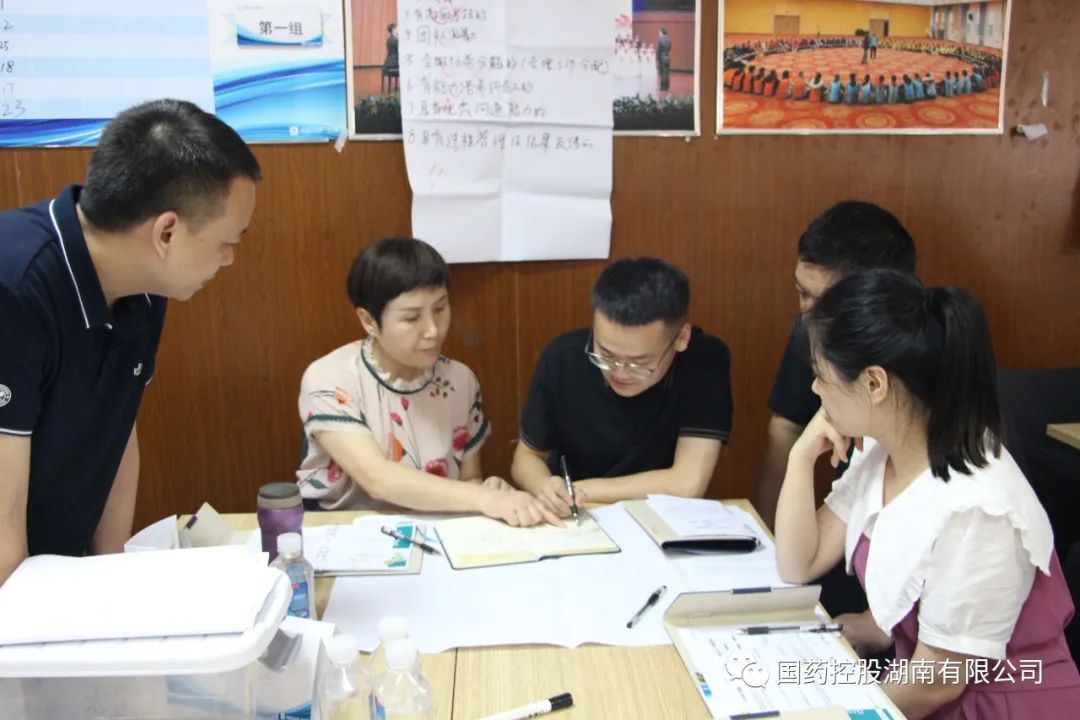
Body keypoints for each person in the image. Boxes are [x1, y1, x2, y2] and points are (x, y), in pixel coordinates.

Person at [775, 269, 1080, 717]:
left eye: (821, 376)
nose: (814, 389)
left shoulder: (978, 507)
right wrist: (801, 458)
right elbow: (798, 562)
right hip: (919, 690)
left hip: (997, 705)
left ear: (874, 383)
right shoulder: (884, 445)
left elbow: (937, 684)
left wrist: (834, 711)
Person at [0, 99, 261, 585]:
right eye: (229, 241)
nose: (229, 258)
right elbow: (3, 539)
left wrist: (111, 572)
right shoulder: (14, 288)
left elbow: (117, 431)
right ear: (167, 232)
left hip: (55, 574)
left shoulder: (143, 287)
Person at [296, 237, 558, 527]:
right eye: (412, 318)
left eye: (440, 309)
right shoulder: (330, 377)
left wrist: (487, 490)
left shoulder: (460, 380)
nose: (433, 330)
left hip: (437, 532)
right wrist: (482, 498)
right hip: (345, 531)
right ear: (368, 321)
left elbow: (468, 479)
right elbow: (377, 479)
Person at [512, 258, 732, 517]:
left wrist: (578, 491)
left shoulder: (704, 361)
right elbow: (526, 457)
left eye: (640, 362)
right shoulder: (563, 357)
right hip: (575, 517)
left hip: (659, 517)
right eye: (605, 354)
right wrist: (546, 487)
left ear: (681, 338)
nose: (619, 373)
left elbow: (687, 482)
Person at [756, 201, 916, 535]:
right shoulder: (811, 329)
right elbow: (786, 425)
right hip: (845, 525)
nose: (810, 316)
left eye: (827, 303)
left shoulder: (923, 349)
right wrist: (769, 534)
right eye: (802, 293)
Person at [382, 23, 399, 93]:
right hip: (393, 63)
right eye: (397, 28)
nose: (398, 30)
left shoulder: (389, 39)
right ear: (393, 30)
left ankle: (397, 87)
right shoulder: (395, 40)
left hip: (388, 62)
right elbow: (399, 51)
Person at [656, 28, 671, 92]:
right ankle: (667, 87)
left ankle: (663, 87)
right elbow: (669, 49)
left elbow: (658, 50)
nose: (659, 34)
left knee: (662, 73)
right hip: (667, 57)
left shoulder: (659, 40)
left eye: (659, 32)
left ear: (662, 33)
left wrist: (657, 59)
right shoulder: (669, 40)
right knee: (667, 73)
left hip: (661, 58)